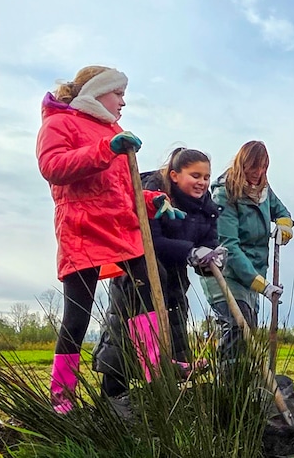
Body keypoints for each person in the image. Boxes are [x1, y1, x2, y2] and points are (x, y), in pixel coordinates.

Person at [36, 66, 183, 413]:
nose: (123, 102)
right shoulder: (59, 122)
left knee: (153, 280)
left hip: (120, 225)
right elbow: (52, 166)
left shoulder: (114, 130)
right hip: (83, 227)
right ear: (96, 92)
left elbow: (120, 190)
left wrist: (154, 201)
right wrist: (106, 148)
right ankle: (62, 396)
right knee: (78, 312)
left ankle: (153, 372)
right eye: (118, 93)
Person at [93, 147, 226, 400]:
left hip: (174, 286)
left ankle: (158, 410)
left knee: (170, 348)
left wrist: (210, 260)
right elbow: (149, 240)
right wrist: (191, 251)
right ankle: (111, 410)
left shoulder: (206, 208)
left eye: (206, 177)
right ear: (175, 175)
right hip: (138, 278)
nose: (202, 182)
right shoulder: (154, 194)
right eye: (195, 176)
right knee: (123, 350)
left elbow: (207, 245)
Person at [202, 140, 291, 359]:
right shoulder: (225, 194)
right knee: (236, 328)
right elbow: (229, 246)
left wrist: (284, 224)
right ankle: (227, 386)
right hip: (227, 274)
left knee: (248, 330)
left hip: (254, 275)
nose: (258, 173)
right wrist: (262, 285)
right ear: (243, 165)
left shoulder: (263, 190)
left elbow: (281, 211)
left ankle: (243, 387)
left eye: (263, 167)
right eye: (253, 167)